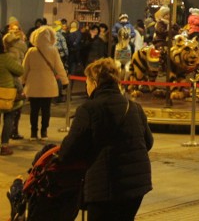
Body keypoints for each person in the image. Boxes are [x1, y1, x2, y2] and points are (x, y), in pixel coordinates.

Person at [56, 58, 153, 220]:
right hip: (137, 185)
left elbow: (68, 151)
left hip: (105, 186)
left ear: (94, 82)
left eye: (87, 82)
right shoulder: (134, 107)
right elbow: (148, 142)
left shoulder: (88, 109)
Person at [22, 25, 69, 142]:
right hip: (48, 84)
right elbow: (59, 67)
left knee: (34, 110)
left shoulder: (31, 51)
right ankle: (44, 132)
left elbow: (24, 68)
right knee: (46, 110)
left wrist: (22, 81)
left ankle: (33, 132)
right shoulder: (53, 50)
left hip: (33, 84)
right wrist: (64, 81)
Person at [0, 34, 25, 156]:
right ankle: (4, 146)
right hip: (6, 94)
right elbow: (20, 71)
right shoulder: (5, 58)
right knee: (9, 118)